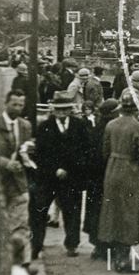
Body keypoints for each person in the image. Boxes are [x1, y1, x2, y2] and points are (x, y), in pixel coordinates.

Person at [98, 90, 139, 273]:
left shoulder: (111, 125)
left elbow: (104, 151)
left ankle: (115, 255)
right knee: (129, 214)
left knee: (113, 213)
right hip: (131, 171)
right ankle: (124, 259)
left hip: (112, 170)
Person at [31, 91, 89, 258]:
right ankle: (36, 245)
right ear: (53, 110)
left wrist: (69, 169)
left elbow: (85, 152)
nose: (62, 113)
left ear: (70, 109)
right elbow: (40, 154)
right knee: (40, 210)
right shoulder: (44, 126)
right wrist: (55, 169)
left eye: (65, 109)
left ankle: (72, 245)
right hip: (48, 177)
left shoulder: (79, 126)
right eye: (59, 110)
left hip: (71, 178)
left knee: (72, 212)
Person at [0, 90, 35, 274]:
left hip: (19, 182)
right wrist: (6, 163)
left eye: (21, 105)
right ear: (6, 103)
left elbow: (26, 147)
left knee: (21, 223)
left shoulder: (25, 125)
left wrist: (28, 154)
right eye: (14, 104)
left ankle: (23, 264)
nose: (17, 108)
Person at [83, 98, 119, 260]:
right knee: (108, 212)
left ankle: (98, 247)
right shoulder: (113, 128)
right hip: (108, 176)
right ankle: (108, 246)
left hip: (95, 179)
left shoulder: (97, 128)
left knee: (95, 212)